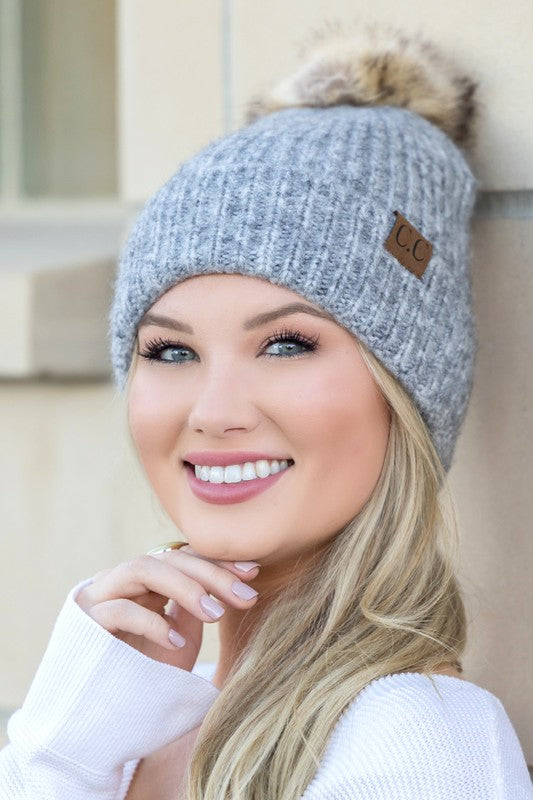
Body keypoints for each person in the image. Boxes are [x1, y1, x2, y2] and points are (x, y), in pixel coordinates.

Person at [1, 20, 532, 800]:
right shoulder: (128, 722)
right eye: (170, 351)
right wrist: (60, 751)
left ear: (404, 390)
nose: (213, 412)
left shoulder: (414, 741)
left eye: (286, 345)